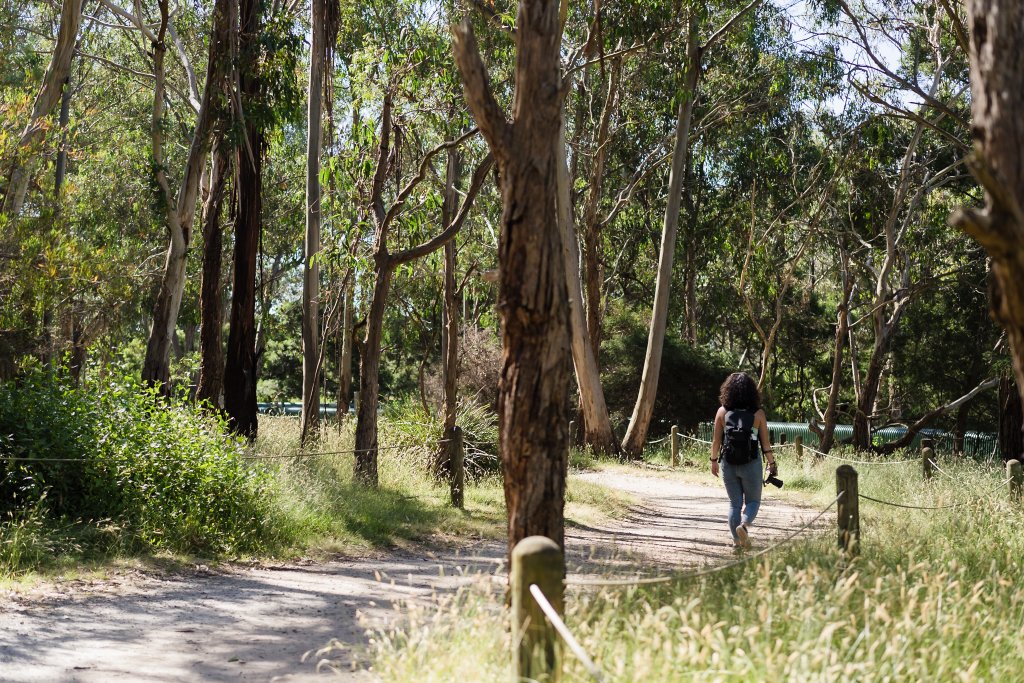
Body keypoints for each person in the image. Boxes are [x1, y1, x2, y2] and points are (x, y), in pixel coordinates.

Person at [710, 372, 777, 549]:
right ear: (751, 392)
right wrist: (772, 464)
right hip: (751, 463)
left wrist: (714, 460)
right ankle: (744, 526)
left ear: (728, 390)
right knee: (753, 502)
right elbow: (765, 444)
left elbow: (716, 441)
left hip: (728, 464)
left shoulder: (722, 412)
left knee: (734, 504)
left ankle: (736, 542)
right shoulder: (759, 414)